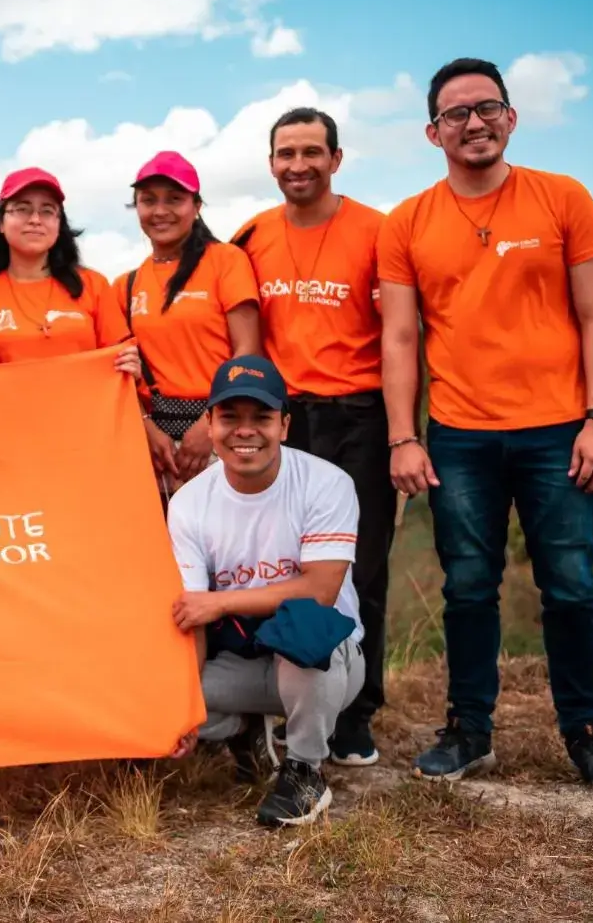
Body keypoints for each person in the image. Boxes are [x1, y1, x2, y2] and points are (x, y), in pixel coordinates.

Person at [378, 56, 593, 796]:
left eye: (487, 107)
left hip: (561, 430)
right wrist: (404, 436)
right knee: (468, 587)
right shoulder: (407, 221)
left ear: (511, 117)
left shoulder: (564, 198)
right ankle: (468, 730)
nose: (474, 122)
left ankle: (587, 733)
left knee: (570, 586)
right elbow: (399, 338)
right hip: (459, 436)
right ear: (433, 132)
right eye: (456, 113)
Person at [230, 108, 395, 768]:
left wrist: (406, 432)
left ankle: (356, 712)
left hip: (360, 414)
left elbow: (403, 335)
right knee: (274, 564)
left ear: (336, 158)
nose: (298, 165)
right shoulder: (251, 237)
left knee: (361, 568)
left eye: (311, 152)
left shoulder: (378, 230)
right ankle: (280, 704)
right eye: (286, 153)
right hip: (284, 417)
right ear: (271, 162)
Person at [166, 354, 365, 828]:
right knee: (162, 695)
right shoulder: (189, 501)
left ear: (285, 426)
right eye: (230, 417)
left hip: (323, 663)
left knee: (304, 628)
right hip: (241, 657)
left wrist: (220, 602)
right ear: (209, 424)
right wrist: (183, 710)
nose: (245, 431)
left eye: (261, 417)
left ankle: (304, 770)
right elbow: (193, 613)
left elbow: (320, 591)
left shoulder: (326, 483)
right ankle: (243, 729)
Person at [114, 151, 262, 505]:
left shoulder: (226, 261)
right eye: (148, 200)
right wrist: (148, 430)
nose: (160, 210)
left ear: (196, 206)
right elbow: (122, 374)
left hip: (222, 432)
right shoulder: (126, 285)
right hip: (157, 446)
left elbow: (248, 351)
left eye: (174, 199)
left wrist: (212, 424)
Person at [0, 166, 140, 378]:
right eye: (22, 209)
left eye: (47, 211)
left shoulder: (93, 285)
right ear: (1, 223)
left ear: (58, 224)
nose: (35, 220)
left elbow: (121, 360)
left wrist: (131, 366)